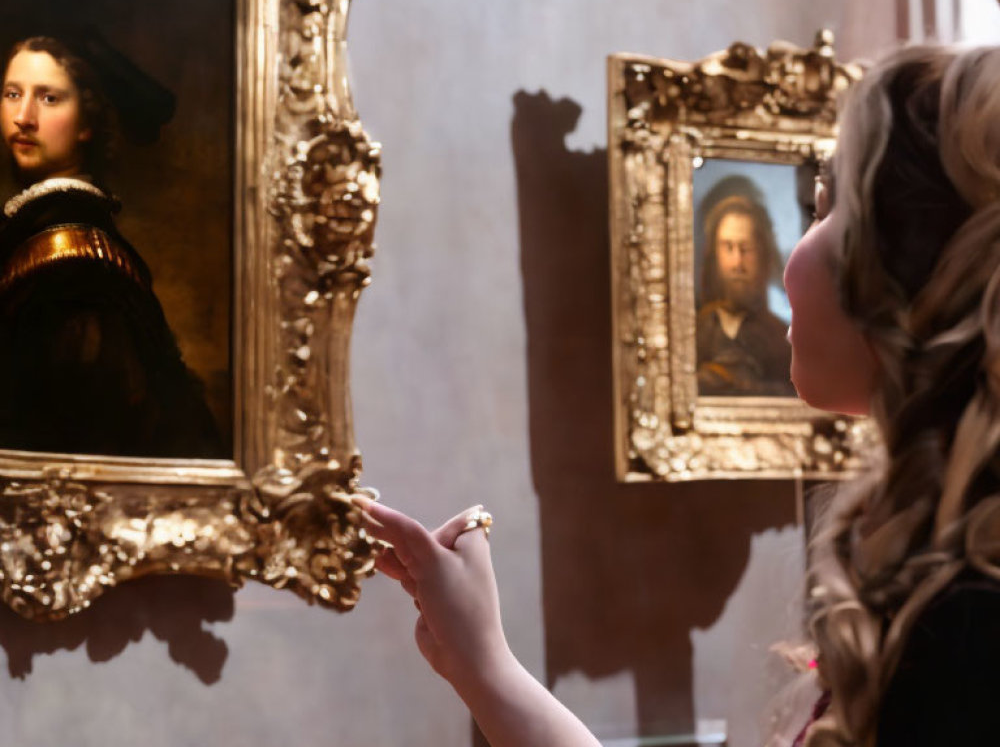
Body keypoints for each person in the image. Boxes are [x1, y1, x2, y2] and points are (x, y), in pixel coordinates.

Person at [357, 40, 1000, 747]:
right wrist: (481, 663)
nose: (783, 261)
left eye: (821, 208)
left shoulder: (965, 632)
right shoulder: (941, 589)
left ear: (903, 264)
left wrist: (485, 667)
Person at [0, 35, 224, 458]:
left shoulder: (74, 258)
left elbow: (70, 428)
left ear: (87, 123)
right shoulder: (29, 226)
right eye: (13, 94)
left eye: (49, 98)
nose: (23, 117)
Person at [696, 178, 794, 395]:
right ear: (714, 254)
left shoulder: (782, 339)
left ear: (762, 254)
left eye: (746, 248)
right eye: (727, 247)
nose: (737, 263)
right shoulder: (692, 332)